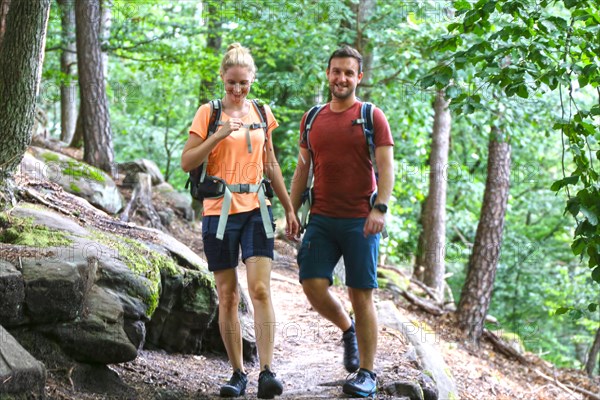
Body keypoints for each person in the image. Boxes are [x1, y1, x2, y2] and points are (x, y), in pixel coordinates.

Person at [181, 43, 299, 399]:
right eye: (231, 83)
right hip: (219, 212)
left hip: (257, 209)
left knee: (260, 289)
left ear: (252, 81)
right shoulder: (208, 112)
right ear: (222, 78)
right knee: (228, 296)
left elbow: (271, 163)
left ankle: (267, 371)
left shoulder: (262, 112)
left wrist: (290, 207)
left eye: (243, 84)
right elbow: (188, 162)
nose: (237, 90)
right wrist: (217, 135)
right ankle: (237, 373)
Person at [288, 45, 394, 398]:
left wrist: (380, 209)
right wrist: (291, 210)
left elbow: (387, 167)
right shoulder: (313, 118)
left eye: (349, 72)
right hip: (321, 217)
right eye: (336, 71)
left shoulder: (371, 115)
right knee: (312, 284)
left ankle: (367, 372)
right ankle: (346, 328)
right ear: (328, 73)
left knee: (361, 294)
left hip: (360, 221)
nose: (342, 78)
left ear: (359, 77)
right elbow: (302, 169)